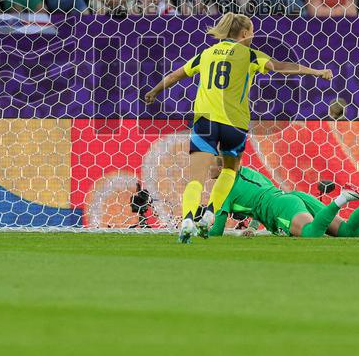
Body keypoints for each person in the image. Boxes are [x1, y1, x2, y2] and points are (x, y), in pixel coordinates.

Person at [142, 12, 333, 242]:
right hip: (235, 123)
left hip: (205, 121)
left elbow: (176, 75)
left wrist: (154, 91)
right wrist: (316, 71)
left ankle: (187, 220)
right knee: (229, 171)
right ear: (243, 34)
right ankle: (210, 213)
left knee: (196, 178)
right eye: (251, 32)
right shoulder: (250, 55)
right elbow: (280, 67)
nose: (253, 36)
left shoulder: (206, 54)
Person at [190, 164, 359, 238]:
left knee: (310, 234)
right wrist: (253, 227)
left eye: (209, 164)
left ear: (219, 167)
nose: (207, 168)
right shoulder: (247, 172)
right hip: (293, 197)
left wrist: (199, 230)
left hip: (281, 207)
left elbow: (216, 231)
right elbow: (260, 198)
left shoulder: (222, 189)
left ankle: (343, 198)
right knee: (347, 233)